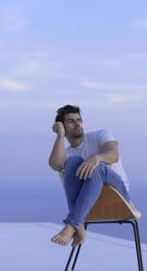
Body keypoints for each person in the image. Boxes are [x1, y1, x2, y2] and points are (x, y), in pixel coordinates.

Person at [48, 104, 130, 247]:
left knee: (97, 167)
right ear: (63, 126)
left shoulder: (100, 135)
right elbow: (55, 165)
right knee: (72, 162)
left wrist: (97, 158)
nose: (77, 124)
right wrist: (60, 135)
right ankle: (77, 223)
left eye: (79, 120)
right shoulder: (67, 153)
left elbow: (114, 154)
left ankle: (73, 225)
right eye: (71, 121)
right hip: (88, 204)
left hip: (117, 195)